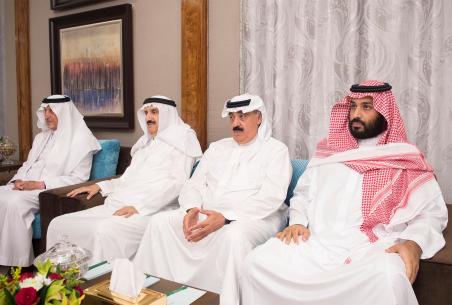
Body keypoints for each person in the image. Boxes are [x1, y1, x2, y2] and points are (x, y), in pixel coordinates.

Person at [240, 81, 448, 305]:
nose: (356, 114)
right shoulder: (328, 153)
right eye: (353, 106)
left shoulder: (405, 158)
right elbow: (302, 194)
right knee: (255, 264)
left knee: (389, 276)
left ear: (385, 112)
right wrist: (298, 221)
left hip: (370, 251)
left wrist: (414, 243)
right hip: (317, 247)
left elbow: (431, 214)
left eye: (366, 107)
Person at [134, 94, 292, 305]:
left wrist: (226, 217)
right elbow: (193, 185)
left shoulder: (276, 150)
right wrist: (191, 209)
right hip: (206, 213)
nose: (236, 123)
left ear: (259, 117)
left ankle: (221, 300)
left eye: (242, 116)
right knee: (159, 223)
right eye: (232, 117)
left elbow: (271, 197)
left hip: (254, 219)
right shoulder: (218, 147)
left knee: (233, 237)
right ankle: (153, 295)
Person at [46, 96, 202, 263]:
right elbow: (128, 179)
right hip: (118, 205)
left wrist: (140, 207)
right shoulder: (145, 144)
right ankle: (60, 285)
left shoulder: (182, 139)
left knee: (102, 230)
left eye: (154, 112)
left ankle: (97, 285)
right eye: (146, 113)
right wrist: (100, 186)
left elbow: (178, 184)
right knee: (59, 223)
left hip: (152, 211)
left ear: (167, 114)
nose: (148, 117)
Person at [0, 95, 101, 272]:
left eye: (51, 111)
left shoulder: (82, 141)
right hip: (22, 186)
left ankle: (18, 264)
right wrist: (17, 181)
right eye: (45, 110)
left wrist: (38, 184)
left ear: (64, 113)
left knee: (14, 204)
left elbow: (78, 179)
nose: (47, 115)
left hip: (48, 190)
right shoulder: (41, 138)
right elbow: (28, 165)